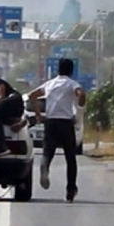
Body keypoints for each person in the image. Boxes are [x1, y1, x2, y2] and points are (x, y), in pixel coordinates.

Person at [28, 58, 86, 202]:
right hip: (66, 123)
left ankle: (45, 165)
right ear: (71, 70)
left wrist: (38, 115)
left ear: (57, 69)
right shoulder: (72, 84)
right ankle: (70, 190)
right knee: (70, 158)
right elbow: (81, 94)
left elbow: (32, 95)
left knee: (48, 151)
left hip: (51, 121)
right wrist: (78, 114)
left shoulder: (50, 84)